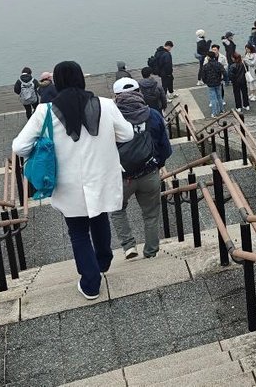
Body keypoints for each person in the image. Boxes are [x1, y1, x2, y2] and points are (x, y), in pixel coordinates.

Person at [12, 61, 134, 300]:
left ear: (57, 81)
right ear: (81, 78)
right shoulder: (106, 105)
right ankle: (103, 261)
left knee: (78, 232)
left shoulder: (44, 111)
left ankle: (90, 283)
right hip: (100, 178)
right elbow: (127, 134)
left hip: (68, 184)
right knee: (99, 217)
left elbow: (19, 147)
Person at [108, 78, 172, 260]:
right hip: (149, 172)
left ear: (116, 96)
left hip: (122, 176)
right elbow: (164, 146)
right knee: (151, 214)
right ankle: (151, 251)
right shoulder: (153, 114)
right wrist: (157, 165)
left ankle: (129, 246)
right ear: (139, 93)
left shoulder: (110, 118)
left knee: (117, 210)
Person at [199, 46, 227, 116]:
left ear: (208, 57)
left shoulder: (206, 66)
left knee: (213, 98)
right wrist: (223, 79)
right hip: (218, 82)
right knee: (219, 97)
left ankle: (214, 113)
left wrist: (205, 81)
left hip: (210, 84)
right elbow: (224, 72)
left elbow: (203, 75)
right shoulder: (218, 64)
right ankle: (222, 110)